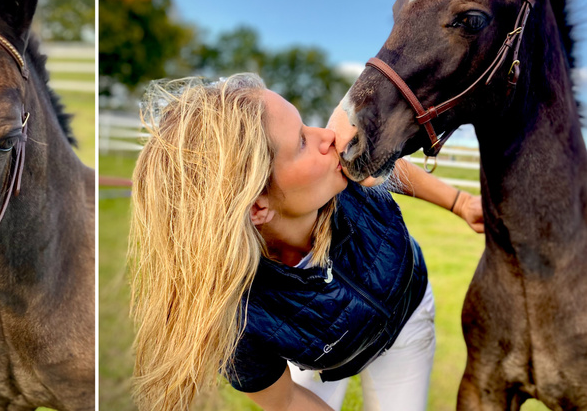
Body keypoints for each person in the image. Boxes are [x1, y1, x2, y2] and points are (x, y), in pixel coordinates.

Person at [128, 73, 483, 411]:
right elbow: (282, 401)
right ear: (256, 206)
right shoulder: (236, 320)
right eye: (301, 141)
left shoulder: (336, 173)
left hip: (407, 314)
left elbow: (391, 169)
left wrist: (460, 203)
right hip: (321, 353)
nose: (328, 136)